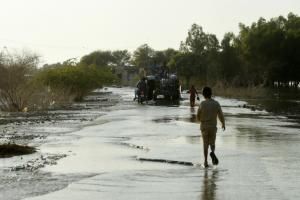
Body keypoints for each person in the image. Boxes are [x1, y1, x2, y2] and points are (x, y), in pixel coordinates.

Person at [197, 86, 225, 168]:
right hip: (213, 126)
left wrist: (200, 120)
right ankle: (212, 152)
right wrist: (223, 123)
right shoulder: (216, 103)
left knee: (205, 144)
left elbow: (198, 115)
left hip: (204, 126)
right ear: (211, 94)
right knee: (212, 143)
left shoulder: (202, 104)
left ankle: (205, 161)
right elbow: (220, 115)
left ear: (203, 94)